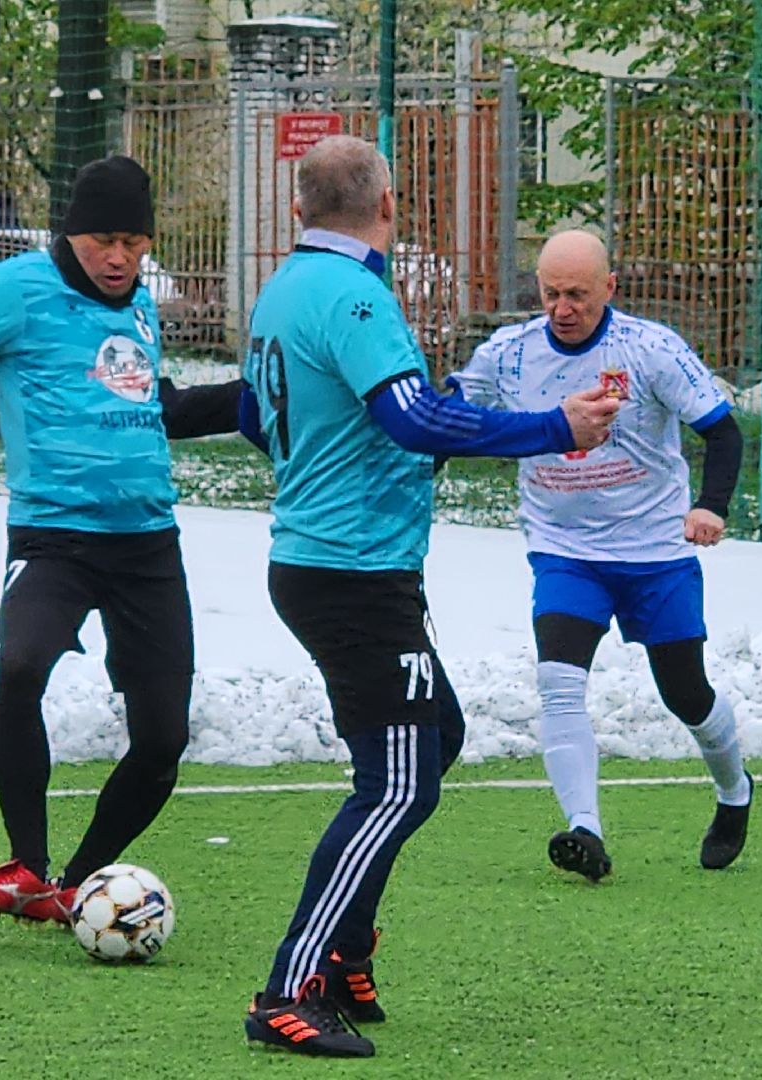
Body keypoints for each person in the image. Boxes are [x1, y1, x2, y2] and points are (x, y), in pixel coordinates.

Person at [237, 135, 618, 1058]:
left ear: (299, 209)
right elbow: (410, 419)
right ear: (389, 205)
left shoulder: (285, 287)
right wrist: (555, 428)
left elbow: (258, 417)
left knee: (435, 739)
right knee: (399, 782)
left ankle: (345, 954)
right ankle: (289, 989)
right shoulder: (355, 294)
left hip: (326, 562)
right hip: (353, 574)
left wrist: (346, 463)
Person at [0, 155, 251, 923]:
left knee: (162, 743)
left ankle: (76, 885)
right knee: (20, 668)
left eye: (135, 244)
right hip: (53, 539)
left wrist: (256, 399)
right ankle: (26, 864)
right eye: (105, 241)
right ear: (72, 233)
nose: (119, 259)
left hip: (148, 547)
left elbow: (157, 408)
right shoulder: (16, 288)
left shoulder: (139, 306)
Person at [449, 228, 752, 884]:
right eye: (551, 294)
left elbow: (723, 434)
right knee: (558, 681)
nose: (563, 308)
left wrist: (711, 507)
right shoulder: (508, 354)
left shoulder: (650, 348)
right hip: (565, 552)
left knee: (686, 693)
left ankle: (734, 792)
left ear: (609, 288)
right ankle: (584, 829)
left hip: (654, 553)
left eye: (578, 295)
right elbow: (447, 417)